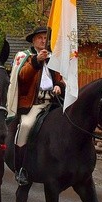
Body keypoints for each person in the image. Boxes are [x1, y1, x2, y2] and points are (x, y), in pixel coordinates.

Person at [6, 26, 65, 185]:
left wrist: (59, 85)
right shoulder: (24, 56)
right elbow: (22, 76)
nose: (43, 40)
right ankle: (20, 168)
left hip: (52, 102)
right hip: (33, 103)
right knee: (25, 126)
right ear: (33, 40)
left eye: (45, 38)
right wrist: (36, 61)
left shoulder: (54, 57)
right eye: (39, 37)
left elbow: (61, 77)